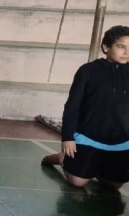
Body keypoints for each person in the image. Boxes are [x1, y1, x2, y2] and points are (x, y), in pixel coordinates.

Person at [41, 25, 129, 189]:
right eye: (121, 47)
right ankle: (61, 158)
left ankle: (95, 167)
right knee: (78, 182)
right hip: (88, 137)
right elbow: (72, 106)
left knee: (114, 185)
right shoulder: (88, 71)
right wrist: (68, 137)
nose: (127, 52)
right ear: (106, 47)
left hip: (121, 141)